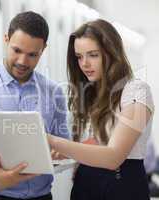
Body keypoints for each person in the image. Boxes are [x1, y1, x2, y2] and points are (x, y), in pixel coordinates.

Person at [0, 11, 70, 200]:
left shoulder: (54, 92)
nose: (22, 62)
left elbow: (64, 147)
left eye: (33, 54)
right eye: (17, 50)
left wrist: (59, 153)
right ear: (6, 39)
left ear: (43, 49)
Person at [47, 19, 155, 200]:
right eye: (79, 56)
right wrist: (70, 151)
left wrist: (53, 141)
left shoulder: (137, 91)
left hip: (121, 187)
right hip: (85, 185)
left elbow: (114, 156)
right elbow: (99, 141)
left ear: (112, 53)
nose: (84, 64)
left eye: (93, 55)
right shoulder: (90, 93)